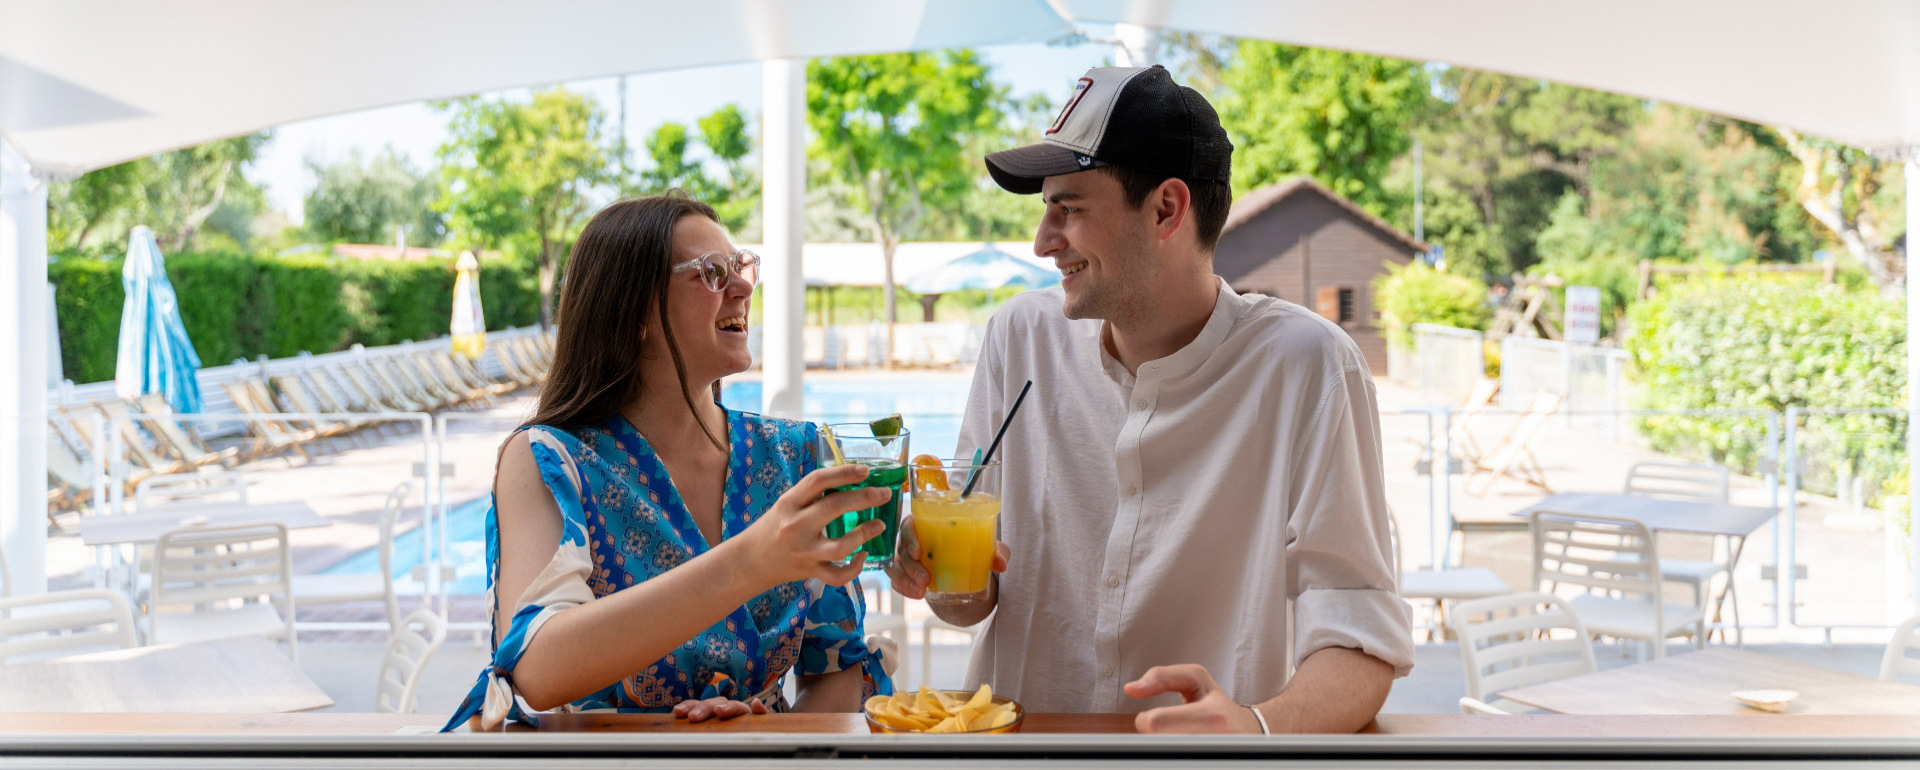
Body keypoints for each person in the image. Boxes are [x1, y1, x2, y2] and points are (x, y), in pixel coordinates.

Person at [885, 66, 1413, 734]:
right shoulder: (1019, 337)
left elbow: (1358, 635)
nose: (1043, 242)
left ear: (1166, 209)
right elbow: (970, 597)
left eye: (1068, 209)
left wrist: (1257, 727)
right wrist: (940, 571)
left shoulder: (1308, 366)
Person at [445, 195, 893, 731]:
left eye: (742, 266)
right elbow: (534, 667)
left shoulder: (796, 454)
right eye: (711, 272)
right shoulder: (551, 460)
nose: (744, 287)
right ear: (631, 311)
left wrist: (754, 729)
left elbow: (837, 668)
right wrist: (751, 561)